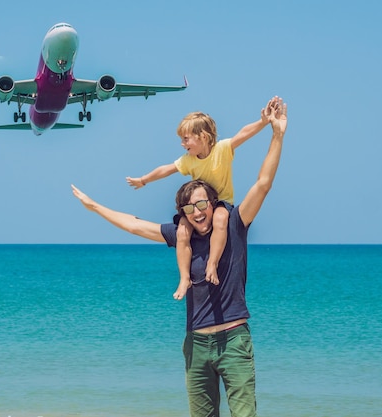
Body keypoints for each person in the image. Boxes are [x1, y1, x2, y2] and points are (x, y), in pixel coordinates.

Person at [71, 98, 288, 417]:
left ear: (213, 204)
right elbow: (134, 225)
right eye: (189, 209)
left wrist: (277, 134)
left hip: (234, 342)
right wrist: (95, 206)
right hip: (196, 345)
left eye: (202, 205)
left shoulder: (234, 223)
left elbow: (263, 184)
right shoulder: (182, 234)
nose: (197, 213)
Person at [126, 97, 279, 300]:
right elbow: (167, 169)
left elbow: (243, 134)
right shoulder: (188, 161)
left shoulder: (222, 149)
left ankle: (212, 264)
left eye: (186, 139)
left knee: (220, 220)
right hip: (197, 206)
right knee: (182, 232)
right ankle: (183, 278)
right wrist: (144, 180)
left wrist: (263, 122)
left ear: (203, 137)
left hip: (221, 202)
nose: (182, 144)